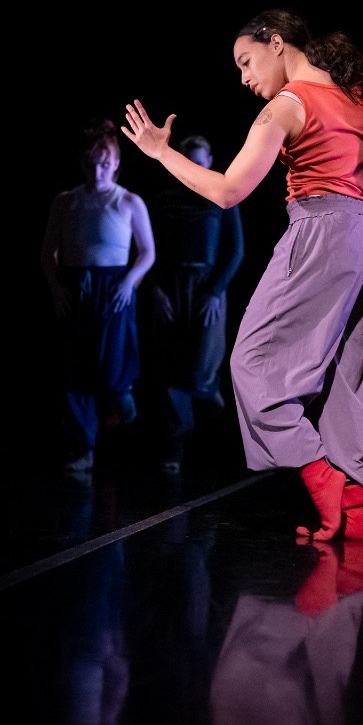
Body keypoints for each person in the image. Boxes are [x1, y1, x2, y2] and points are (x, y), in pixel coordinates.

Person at [121, 8, 363, 542]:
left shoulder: (287, 106)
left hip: (321, 230)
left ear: (277, 43)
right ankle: (357, 504)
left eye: (246, 61)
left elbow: (228, 192)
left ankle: (319, 473)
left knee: (251, 361)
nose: (244, 77)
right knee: (345, 372)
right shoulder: (361, 84)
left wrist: (161, 154)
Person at [41, 118, 155, 473]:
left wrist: (128, 283)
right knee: (76, 367)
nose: (98, 169)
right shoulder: (66, 202)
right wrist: (57, 288)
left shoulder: (129, 202)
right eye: (92, 163)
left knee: (111, 360)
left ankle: (121, 394)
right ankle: (82, 446)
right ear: (83, 162)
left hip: (114, 287)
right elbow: (48, 254)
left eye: (105, 163)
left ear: (117, 163)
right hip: (77, 285)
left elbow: (147, 252)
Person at [141, 134, 245, 474]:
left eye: (201, 162)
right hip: (170, 284)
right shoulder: (164, 200)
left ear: (211, 162)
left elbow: (236, 250)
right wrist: (156, 289)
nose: (196, 169)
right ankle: (175, 445)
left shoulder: (223, 200)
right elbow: (147, 248)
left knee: (200, 365)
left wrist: (215, 290)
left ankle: (209, 390)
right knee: (170, 368)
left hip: (206, 285)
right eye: (190, 162)